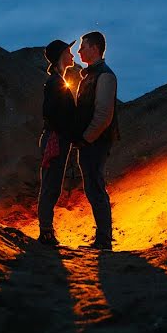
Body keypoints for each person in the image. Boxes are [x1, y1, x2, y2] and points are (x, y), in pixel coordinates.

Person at [73, 31, 119, 251]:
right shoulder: (90, 75)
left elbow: (103, 115)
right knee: (92, 187)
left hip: (96, 142)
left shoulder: (105, 76)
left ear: (94, 48)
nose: (79, 51)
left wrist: (86, 138)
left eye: (83, 46)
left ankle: (104, 240)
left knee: (95, 187)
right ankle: (102, 238)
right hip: (90, 141)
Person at [37, 39, 77, 246]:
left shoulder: (58, 80)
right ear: (62, 55)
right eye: (69, 52)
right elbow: (50, 113)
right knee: (50, 186)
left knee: (52, 185)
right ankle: (45, 232)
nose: (73, 55)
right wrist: (64, 131)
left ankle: (46, 230)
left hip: (57, 137)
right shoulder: (55, 82)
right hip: (55, 138)